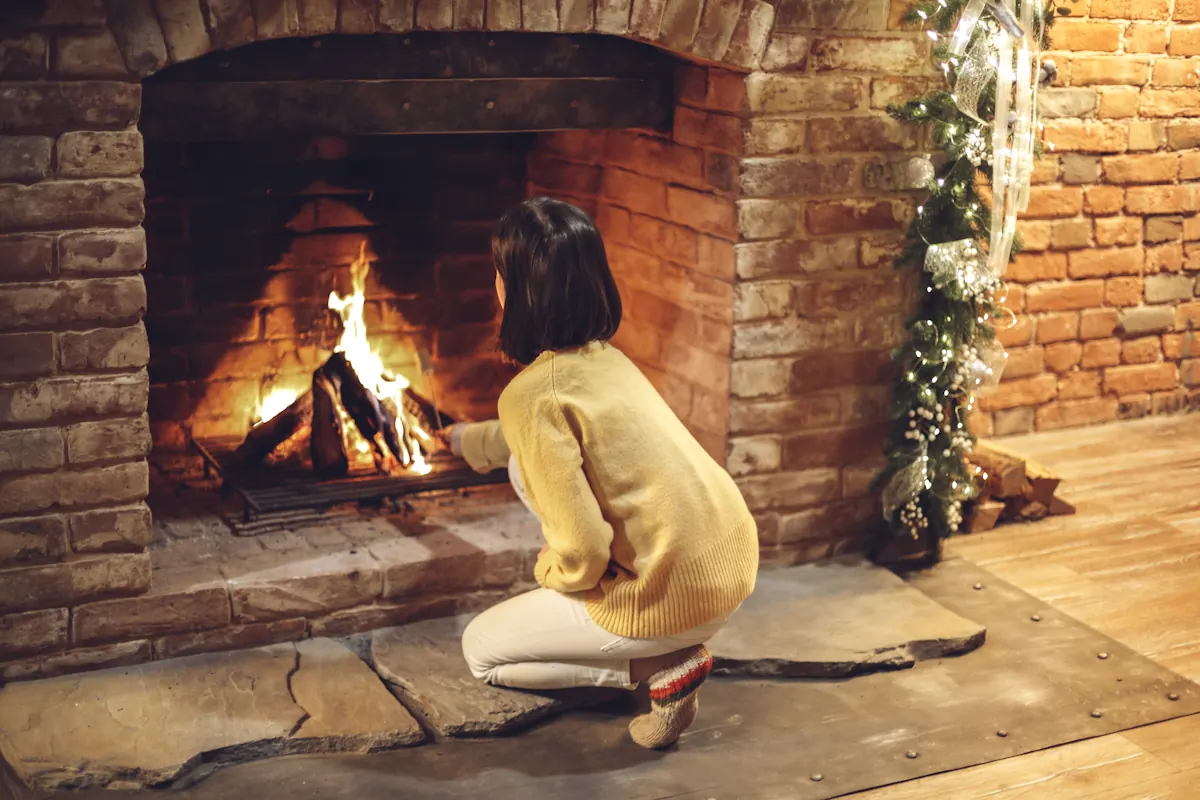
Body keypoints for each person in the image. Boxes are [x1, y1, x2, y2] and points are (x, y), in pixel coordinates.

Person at [448, 197, 759, 750]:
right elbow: (529, 437)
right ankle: (666, 648)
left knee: (481, 651)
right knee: (528, 464)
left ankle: (661, 669)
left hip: (667, 594)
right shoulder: (605, 359)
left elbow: (585, 551)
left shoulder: (530, 396)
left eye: (499, 272)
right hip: (728, 560)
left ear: (514, 290)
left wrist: (554, 572)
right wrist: (465, 441)